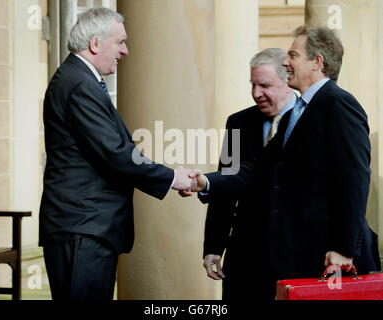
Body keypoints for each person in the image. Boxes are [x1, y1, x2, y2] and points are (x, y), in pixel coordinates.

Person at [188, 25, 381, 297]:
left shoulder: (338, 104)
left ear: (317, 62)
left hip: (324, 254)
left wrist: (344, 248)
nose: (286, 61)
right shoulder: (296, 115)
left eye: (293, 54)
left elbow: (354, 179)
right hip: (277, 256)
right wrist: (205, 181)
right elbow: (258, 169)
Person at [39, 7, 194, 301]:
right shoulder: (80, 84)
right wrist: (173, 177)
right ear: (95, 44)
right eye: (120, 42)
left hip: (85, 228)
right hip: (83, 229)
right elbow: (116, 154)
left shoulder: (78, 79)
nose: (125, 51)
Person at [202, 48, 296, 300]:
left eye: (264, 85)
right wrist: (213, 246)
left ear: (288, 80)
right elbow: (226, 183)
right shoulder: (238, 123)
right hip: (245, 252)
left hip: (295, 252)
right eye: (252, 85)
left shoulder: (310, 119)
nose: (256, 93)